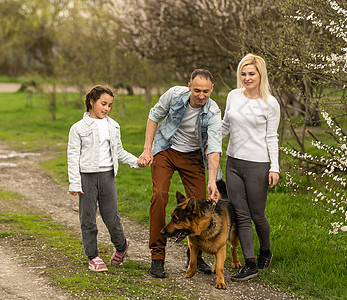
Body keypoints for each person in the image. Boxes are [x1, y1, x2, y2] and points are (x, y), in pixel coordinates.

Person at [137, 69, 222, 278]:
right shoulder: (174, 95)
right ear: (189, 86)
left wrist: (212, 181)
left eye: (206, 91)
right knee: (159, 196)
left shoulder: (213, 112)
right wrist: (147, 149)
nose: (201, 96)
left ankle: (194, 256)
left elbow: (214, 148)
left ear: (212, 89)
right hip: (166, 150)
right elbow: (153, 116)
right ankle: (157, 256)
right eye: (197, 90)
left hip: (193, 156)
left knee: (201, 205)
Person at [67, 85, 139, 272]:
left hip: (107, 176)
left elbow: (120, 152)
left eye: (110, 105)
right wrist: (75, 182)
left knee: (111, 217)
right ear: (92, 102)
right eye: (103, 104)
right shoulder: (78, 128)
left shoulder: (113, 126)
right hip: (86, 178)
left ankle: (121, 246)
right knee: (88, 218)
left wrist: (137, 162)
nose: (106, 108)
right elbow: (73, 156)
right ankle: (93, 256)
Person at [222, 54, 281, 281]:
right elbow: (225, 125)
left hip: (258, 165)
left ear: (260, 75)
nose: (246, 78)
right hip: (233, 162)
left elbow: (272, 136)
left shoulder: (270, 103)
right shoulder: (233, 96)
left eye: (251, 74)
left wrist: (274, 167)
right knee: (241, 214)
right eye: (243, 74)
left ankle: (265, 250)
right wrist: (211, 145)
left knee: (257, 215)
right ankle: (250, 263)